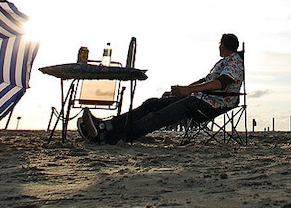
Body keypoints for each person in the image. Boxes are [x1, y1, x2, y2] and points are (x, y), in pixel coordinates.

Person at [78, 33, 244, 144]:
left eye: (220, 44)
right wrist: (184, 89)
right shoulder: (225, 62)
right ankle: (106, 125)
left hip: (211, 103)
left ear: (223, 45)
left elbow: (221, 83)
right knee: (151, 104)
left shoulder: (234, 61)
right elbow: (207, 80)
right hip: (200, 98)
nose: (218, 47)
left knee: (158, 117)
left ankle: (107, 137)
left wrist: (187, 91)